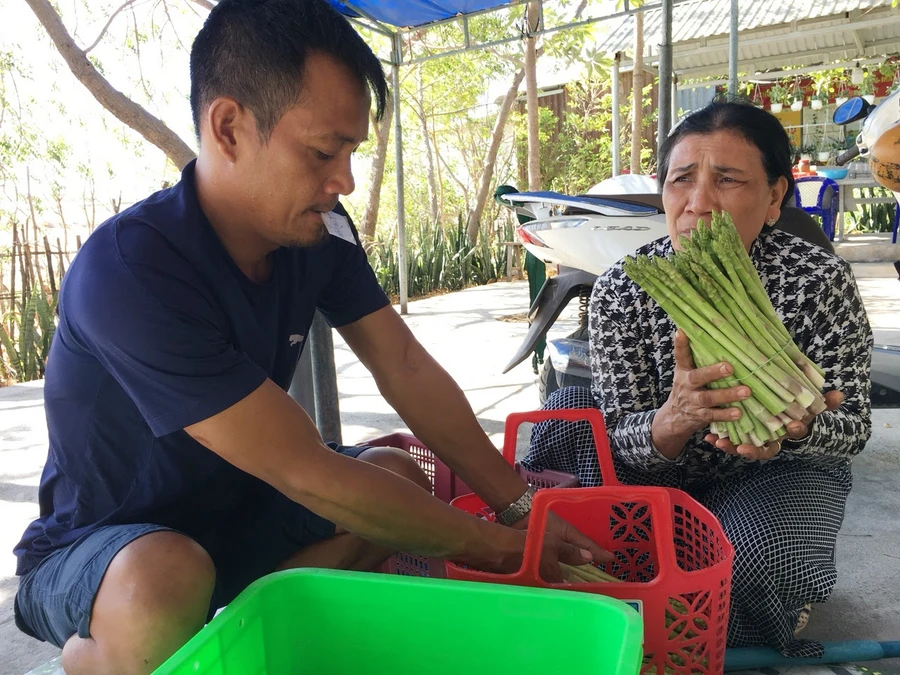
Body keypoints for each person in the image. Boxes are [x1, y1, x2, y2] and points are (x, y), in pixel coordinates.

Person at [12, 2, 608, 673]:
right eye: (323, 152)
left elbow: (404, 363)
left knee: (393, 478)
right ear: (230, 127)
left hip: (238, 512)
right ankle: (95, 657)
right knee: (166, 575)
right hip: (102, 546)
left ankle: (249, 635)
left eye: (352, 152)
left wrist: (517, 502)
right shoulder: (132, 269)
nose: (345, 181)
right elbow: (305, 470)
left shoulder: (321, 232)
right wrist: (502, 547)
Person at [524, 100, 873, 658]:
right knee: (572, 473)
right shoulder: (626, 285)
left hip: (778, 473)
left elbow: (853, 428)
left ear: (775, 197)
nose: (698, 203)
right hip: (659, 470)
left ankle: (755, 608)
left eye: (728, 180)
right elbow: (620, 437)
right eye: (680, 180)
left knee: (752, 560)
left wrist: (802, 427)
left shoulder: (818, 280)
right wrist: (674, 419)